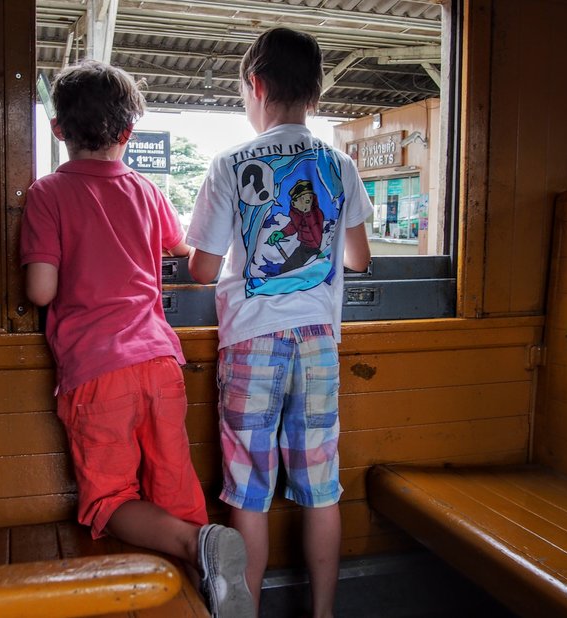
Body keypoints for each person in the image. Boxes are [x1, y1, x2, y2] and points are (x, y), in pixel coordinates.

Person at [19, 60, 254, 618]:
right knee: (173, 481)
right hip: (159, 360)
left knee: (110, 499)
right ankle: (209, 584)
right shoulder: (147, 191)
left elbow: (42, 290)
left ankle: (192, 546)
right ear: (129, 133)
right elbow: (179, 247)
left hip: (97, 370)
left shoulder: (47, 193)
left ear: (58, 131)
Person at [186, 28, 372, 618]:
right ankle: (322, 613)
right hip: (317, 342)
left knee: (249, 493)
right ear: (315, 94)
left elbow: (203, 269)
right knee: (322, 491)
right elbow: (359, 258)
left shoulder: (229, 163)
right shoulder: (338, 164)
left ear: (257, 85)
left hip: (250, 343)